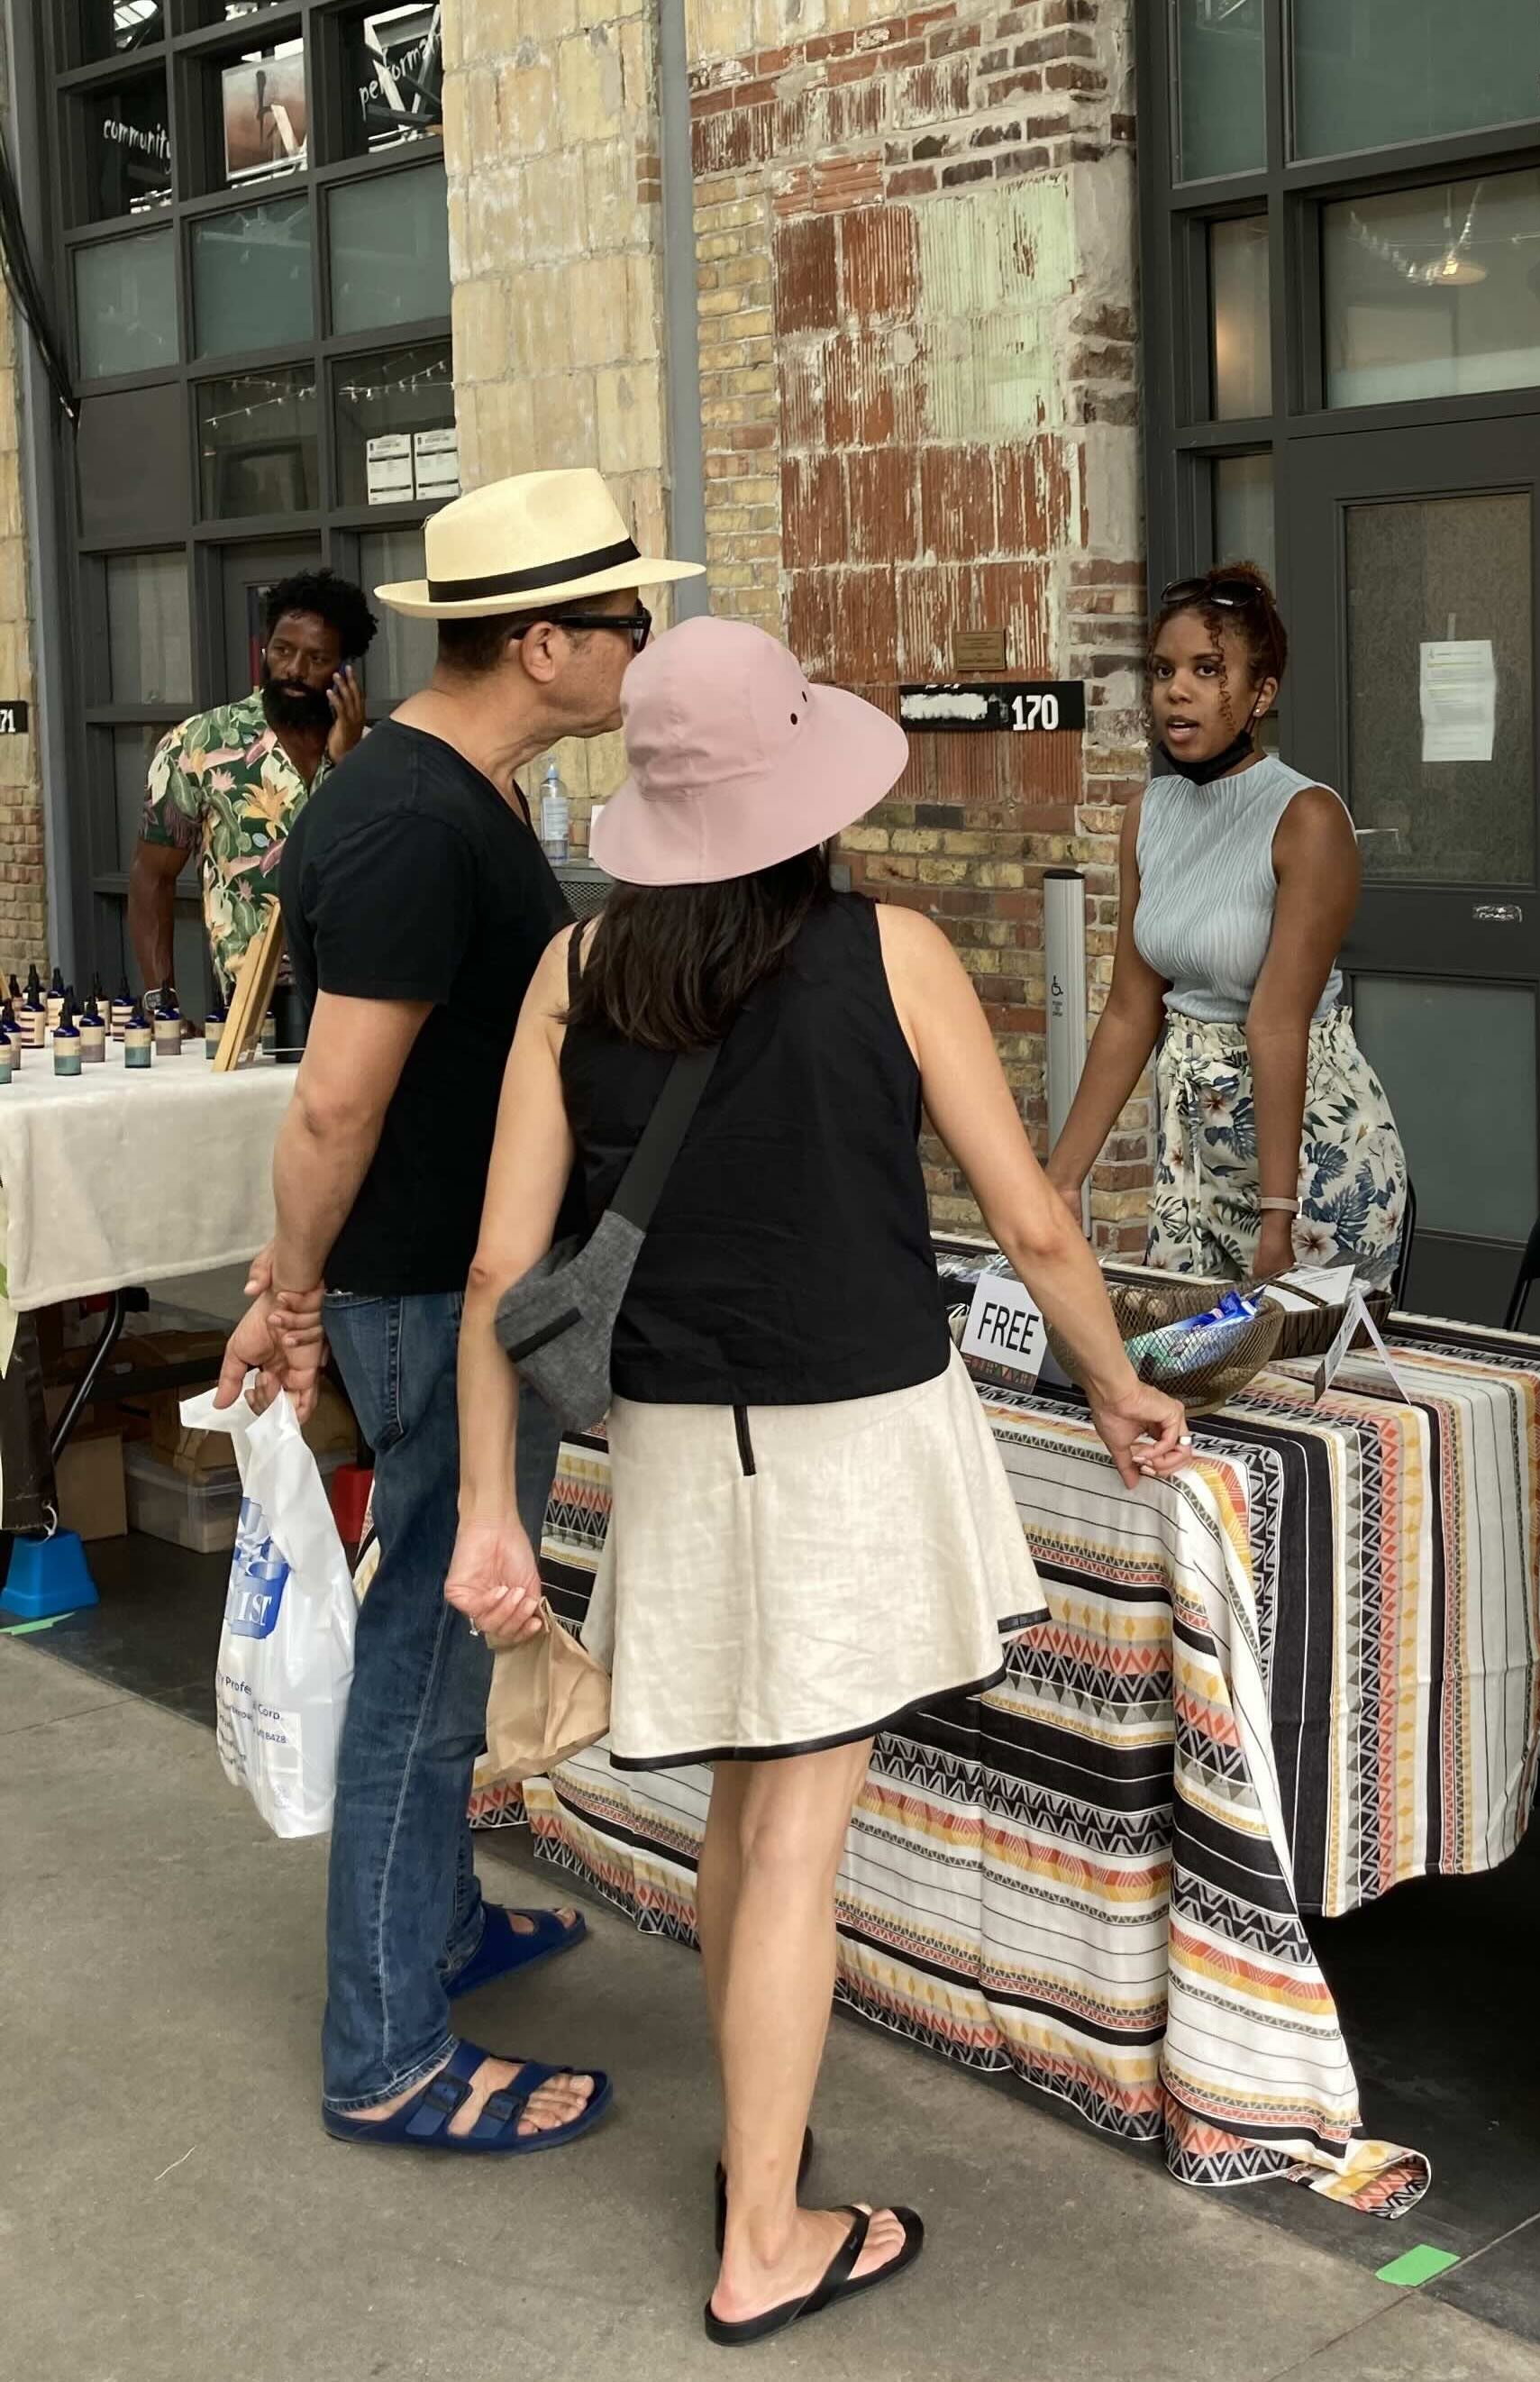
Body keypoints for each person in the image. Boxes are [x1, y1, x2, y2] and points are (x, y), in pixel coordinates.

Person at [441, 616, 1192, 2344]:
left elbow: (500, 1271)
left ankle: (760, 2154)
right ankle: (765, 2231)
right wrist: (1118, 1382)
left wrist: (495, 1507)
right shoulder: (893, 949)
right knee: (791, 1834)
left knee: (742, 1815)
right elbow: (1031, 1218)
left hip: (679, 1451)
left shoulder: (577, 971)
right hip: (853, 1442)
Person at [215, 469, 701, 2158]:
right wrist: (285, 1295)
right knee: (423, 1679)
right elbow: (335, 1106)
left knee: (437, 1651)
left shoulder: (440, 789)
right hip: (431, 1303)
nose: (648, 647)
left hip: (438, 1292)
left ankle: (433, 1929)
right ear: (549, 643)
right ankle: (389, 2050)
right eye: (629, 622)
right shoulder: (418, 818)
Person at [1043, 563, 1409, 1288]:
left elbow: (1276, 1021)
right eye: (1163, 669)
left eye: (1207, 670)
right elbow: (1128, 1011)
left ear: (1259, 694)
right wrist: (1059, 1181)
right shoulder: (1150, 813)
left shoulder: (1307, 818)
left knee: (1309, 1398)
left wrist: (1279, 1217)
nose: (1176, 689)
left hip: (1309, 1161)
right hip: (1194, 1161)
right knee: (1190, 1383)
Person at [130, 568, 377, 1003]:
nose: (294, 670)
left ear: (343, 668)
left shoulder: (377, 756)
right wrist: (159, 1001)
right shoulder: (199, 744)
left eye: (317, 659)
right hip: (250, 1013)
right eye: (282, 650)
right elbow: (153, 877)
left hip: (362, 1002)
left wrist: (347, 763)